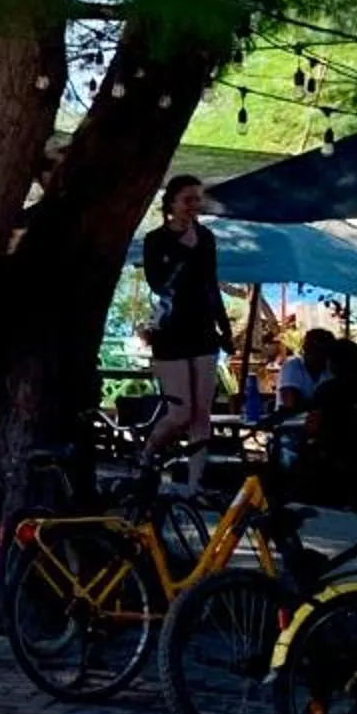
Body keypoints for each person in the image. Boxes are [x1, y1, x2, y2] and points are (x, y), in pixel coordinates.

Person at [141, 174, 231, 491]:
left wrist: (225, 327)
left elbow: (211, 283)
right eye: (187, 200)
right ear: (172, 203)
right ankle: (147, 454)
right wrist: (183, 249)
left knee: (201, 413)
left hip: (202, 328)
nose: (194, 206)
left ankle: (195, 484)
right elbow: (158, 283)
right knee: (181, 411)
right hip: (171, 329)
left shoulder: (205, 237)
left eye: (197, 199)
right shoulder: (155, 240)